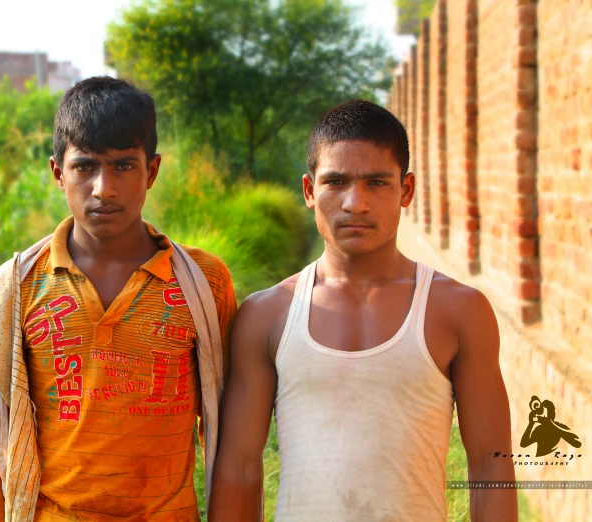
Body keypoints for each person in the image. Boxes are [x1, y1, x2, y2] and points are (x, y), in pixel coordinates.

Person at [0, 76, 237, 521]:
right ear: (58, 172)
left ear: (151, 171)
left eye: (123, 166)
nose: (103, 188)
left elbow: (228, 429)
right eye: (85, 167)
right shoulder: (17, 290)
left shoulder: (203, 284)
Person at [209, 100, 517, 521]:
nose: (355, 203)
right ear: (309, 191)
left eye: (377, 182)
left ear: (406, 190)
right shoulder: (268, 315)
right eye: (335, 182)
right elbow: (240, 468)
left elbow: (491, 464)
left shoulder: (458, 311)